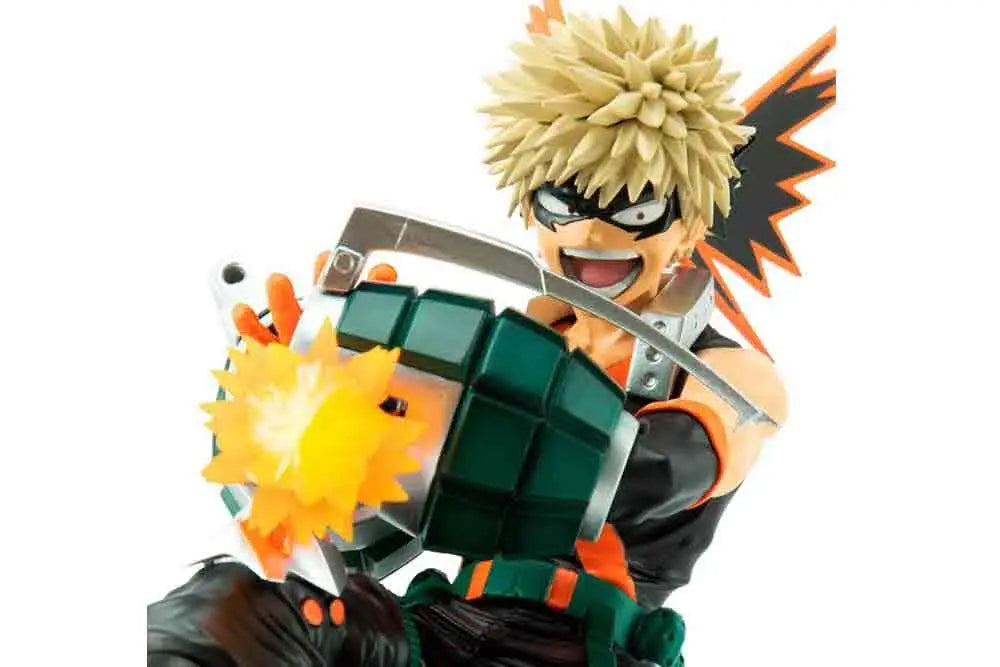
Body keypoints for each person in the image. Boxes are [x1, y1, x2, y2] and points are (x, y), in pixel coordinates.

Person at [148, 3, 834, 665]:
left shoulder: (732, 374)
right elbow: (361, 539)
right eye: (561, 202)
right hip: (443, 620)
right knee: (246, 606)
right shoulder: (519, 343)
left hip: (583, 643)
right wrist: (314, 401)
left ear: (690, 226)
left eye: (637, 209)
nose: (592, 233)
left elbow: (651, 475)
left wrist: (415, 416)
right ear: (531, 210)